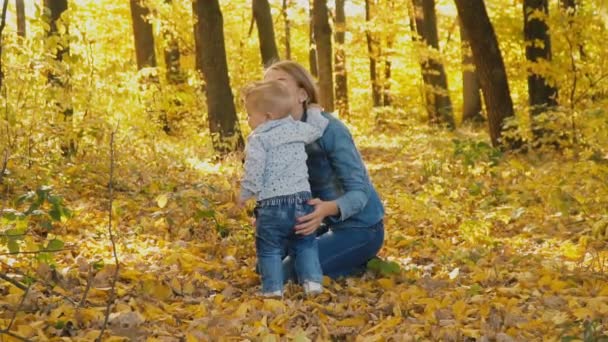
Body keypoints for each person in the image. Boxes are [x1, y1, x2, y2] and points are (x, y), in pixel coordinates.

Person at [262, 60, 385, 280]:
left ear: (302, 95)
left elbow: (360, 193)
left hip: (362, 228)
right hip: (322, 224)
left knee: (285, 275)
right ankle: (338, 257)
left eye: (280, 82)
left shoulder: (330, 130)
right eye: (266, 85)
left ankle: (358, 262)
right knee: (264, 266)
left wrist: (327, 209)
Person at [238, 80, 329, 297]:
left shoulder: (258, 138)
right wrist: (315, 111)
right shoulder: (296, 129)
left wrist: (244, 194)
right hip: (302, 201)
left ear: (267, 116)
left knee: (269, 249)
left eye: (250, 115)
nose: (248, 120)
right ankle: (313, 284)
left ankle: (272, 291)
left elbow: (254, 171)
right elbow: (317, 129)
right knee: (305, 244)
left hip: (272, 205)